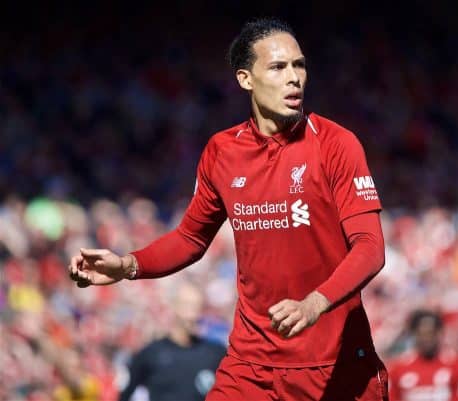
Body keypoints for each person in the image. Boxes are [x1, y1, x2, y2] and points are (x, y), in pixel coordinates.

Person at [69, 17, 388, 401]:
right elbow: (190, 238)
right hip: (251, 366)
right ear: (245, 79)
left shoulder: (336, 144)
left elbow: (370, 247)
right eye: (278, 67)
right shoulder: (223, 151)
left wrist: (314, 303)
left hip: (334, 365)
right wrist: (126, 266)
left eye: (299, 65)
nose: (294, 78)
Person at [118, 281, 226, 401]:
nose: (194, 315)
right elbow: (125, 394)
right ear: (174, 307)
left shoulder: (215, 353)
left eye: (198, 307)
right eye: (188, 306)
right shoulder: (151, 353)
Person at [387, 309, 458, 401]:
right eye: (422, 334)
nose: (427, 338)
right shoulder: (398, 366)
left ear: (440, 333)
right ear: (414, 335)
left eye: (431, 333)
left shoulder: (457, 364)